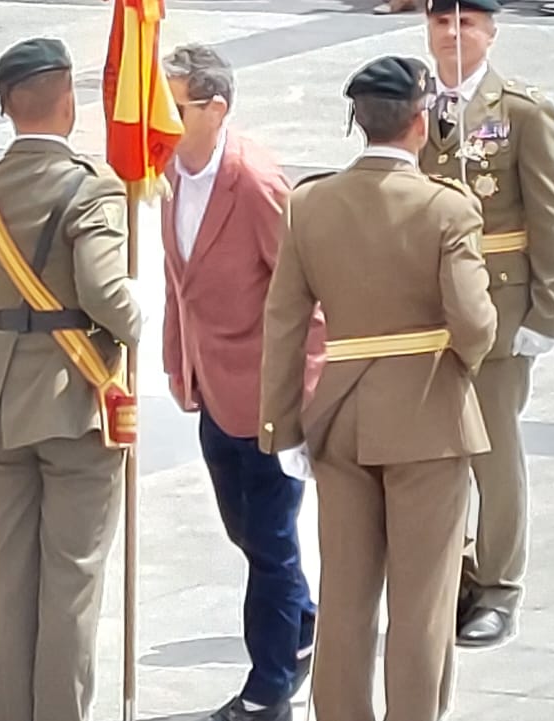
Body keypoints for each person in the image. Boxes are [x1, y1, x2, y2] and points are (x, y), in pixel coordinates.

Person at [258, 55, 497, 721]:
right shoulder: (447, 209)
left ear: (358, 123)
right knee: (422, 601)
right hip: (427, 415)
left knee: (345, 598)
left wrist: (281, 425)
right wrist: (463, 362)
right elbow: (474, 322)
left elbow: (283, 323)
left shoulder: (310, 204)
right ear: (420, 123)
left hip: (339, 418)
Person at [0, 37, 142, 721]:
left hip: (1, 397)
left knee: (7, 575)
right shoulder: (92, 188)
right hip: (73, 401)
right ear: (68, 102)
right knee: (71, 578)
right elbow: (101, 290)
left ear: (7, 106)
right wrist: (141, 316)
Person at [160, 42, 326, 721]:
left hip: (265, 393)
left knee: (270, 542)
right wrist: (178, 360)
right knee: (246, 532)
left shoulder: (254, 182)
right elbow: (181, 283)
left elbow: (304, 294)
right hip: (210, 386)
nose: (162, 119)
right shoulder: (169, 172)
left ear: (216, 107)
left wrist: (301, 397)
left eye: (174, 106)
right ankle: (303, 620)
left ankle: (269, 688)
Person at [420, 0, 554, 650]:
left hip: (499, 304)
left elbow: (550, 214)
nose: (453, 35)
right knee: (433, 449)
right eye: (442, 23)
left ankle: (500, 583)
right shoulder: (412, 103)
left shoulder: (520, 109)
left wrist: (547, 310)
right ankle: (450, 572)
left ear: (490, 32)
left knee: (493, 450)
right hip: (425, 309)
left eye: (467, 24)